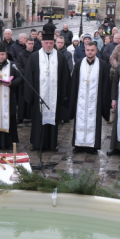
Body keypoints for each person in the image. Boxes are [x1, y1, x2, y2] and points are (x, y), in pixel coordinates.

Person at [24, 23, 71, 151]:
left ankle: (52, 144)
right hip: (38, 96)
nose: (49, 45)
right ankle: (37, 143)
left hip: (54, 98)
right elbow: (28, 77)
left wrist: (63, 95)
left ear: (54, 43)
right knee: (38, 121)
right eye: (46, 43)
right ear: (42, 43)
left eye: (51, 43)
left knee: (53, 121)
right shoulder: (34, 57)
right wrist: (30, 96)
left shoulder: (60, 58)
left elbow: (65, 78)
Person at [68, 42, 111, 155]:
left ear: (96, 51)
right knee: (80, 120)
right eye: (88, 50)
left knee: (94, 121)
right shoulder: (79, 64)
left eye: (92, 50)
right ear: (85, 51)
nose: (90, 52)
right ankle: (78, 145)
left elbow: (106, 85)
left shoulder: (102, 65)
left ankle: (93, 146)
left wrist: (105, 102)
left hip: (95, 101)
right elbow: (73, 84)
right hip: (80, 100)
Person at [16, 37, 36, 123]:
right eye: (29, 44)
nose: (31, 45)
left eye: (32, 44)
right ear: (26, 44)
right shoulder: (21, 54)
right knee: (22, 99)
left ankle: (33, 116)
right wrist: (27, 73)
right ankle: (21, 117)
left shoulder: (37, 53)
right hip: (24, 79)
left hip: (34, 79)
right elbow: (19, 66)